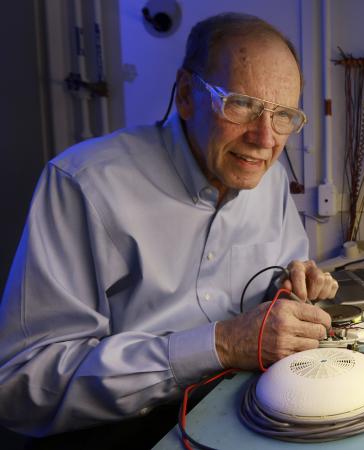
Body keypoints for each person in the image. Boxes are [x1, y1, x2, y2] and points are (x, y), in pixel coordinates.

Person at [0, 12, 337, 445]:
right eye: (241, 104)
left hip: (246, 406)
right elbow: (19, 384)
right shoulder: (83, 183)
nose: (265, 139)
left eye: (284, 115)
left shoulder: (267, 179)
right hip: (120, 429)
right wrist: (221, 345)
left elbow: (277, 280)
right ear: (185, 95)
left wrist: (291, 289)